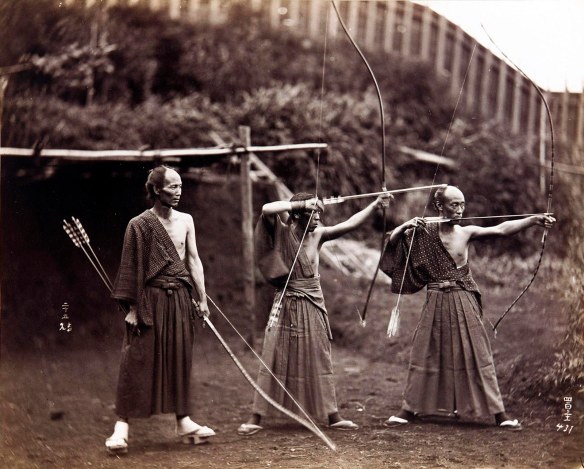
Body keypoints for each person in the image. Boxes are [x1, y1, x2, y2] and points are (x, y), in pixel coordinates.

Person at [381, 185, 555, 430]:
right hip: (435, 298)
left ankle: (499, 414)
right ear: (440, 206)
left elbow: (501, 230)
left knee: (477, 352)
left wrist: (533, 220)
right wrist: (405, 226)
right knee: (426, 351)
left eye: (462, 205)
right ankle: (408, 409)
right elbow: (392, 243)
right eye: (454, 205)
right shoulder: (422, 231)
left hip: (463, 297)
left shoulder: (466, 232)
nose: (460, 210)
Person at [237, 192, 392, 436]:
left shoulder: (318, 235)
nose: (318, 217)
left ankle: (333, 415)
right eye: (313, 212)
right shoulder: (282, 233)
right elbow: (267, 208)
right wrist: (299, 204)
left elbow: (349, 224)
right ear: (298, 214)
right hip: (287, 301)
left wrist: (374, 205)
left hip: (312, 302)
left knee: (320, 354)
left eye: (320, 212)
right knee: (274, 353)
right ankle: (256, 416)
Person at [105, 165, 215, 454]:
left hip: (179, 297)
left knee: (180, 356)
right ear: (156, 189)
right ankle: (121, 427)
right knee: (137, 358)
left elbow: (193, 260)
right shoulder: (139, 224)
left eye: (180, 186)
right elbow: (130, 268)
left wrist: (202, 299)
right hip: (149, 299)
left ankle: (184, 421)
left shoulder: (186, 220)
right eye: (172, 187)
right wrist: (132, 308)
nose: (178, 192)